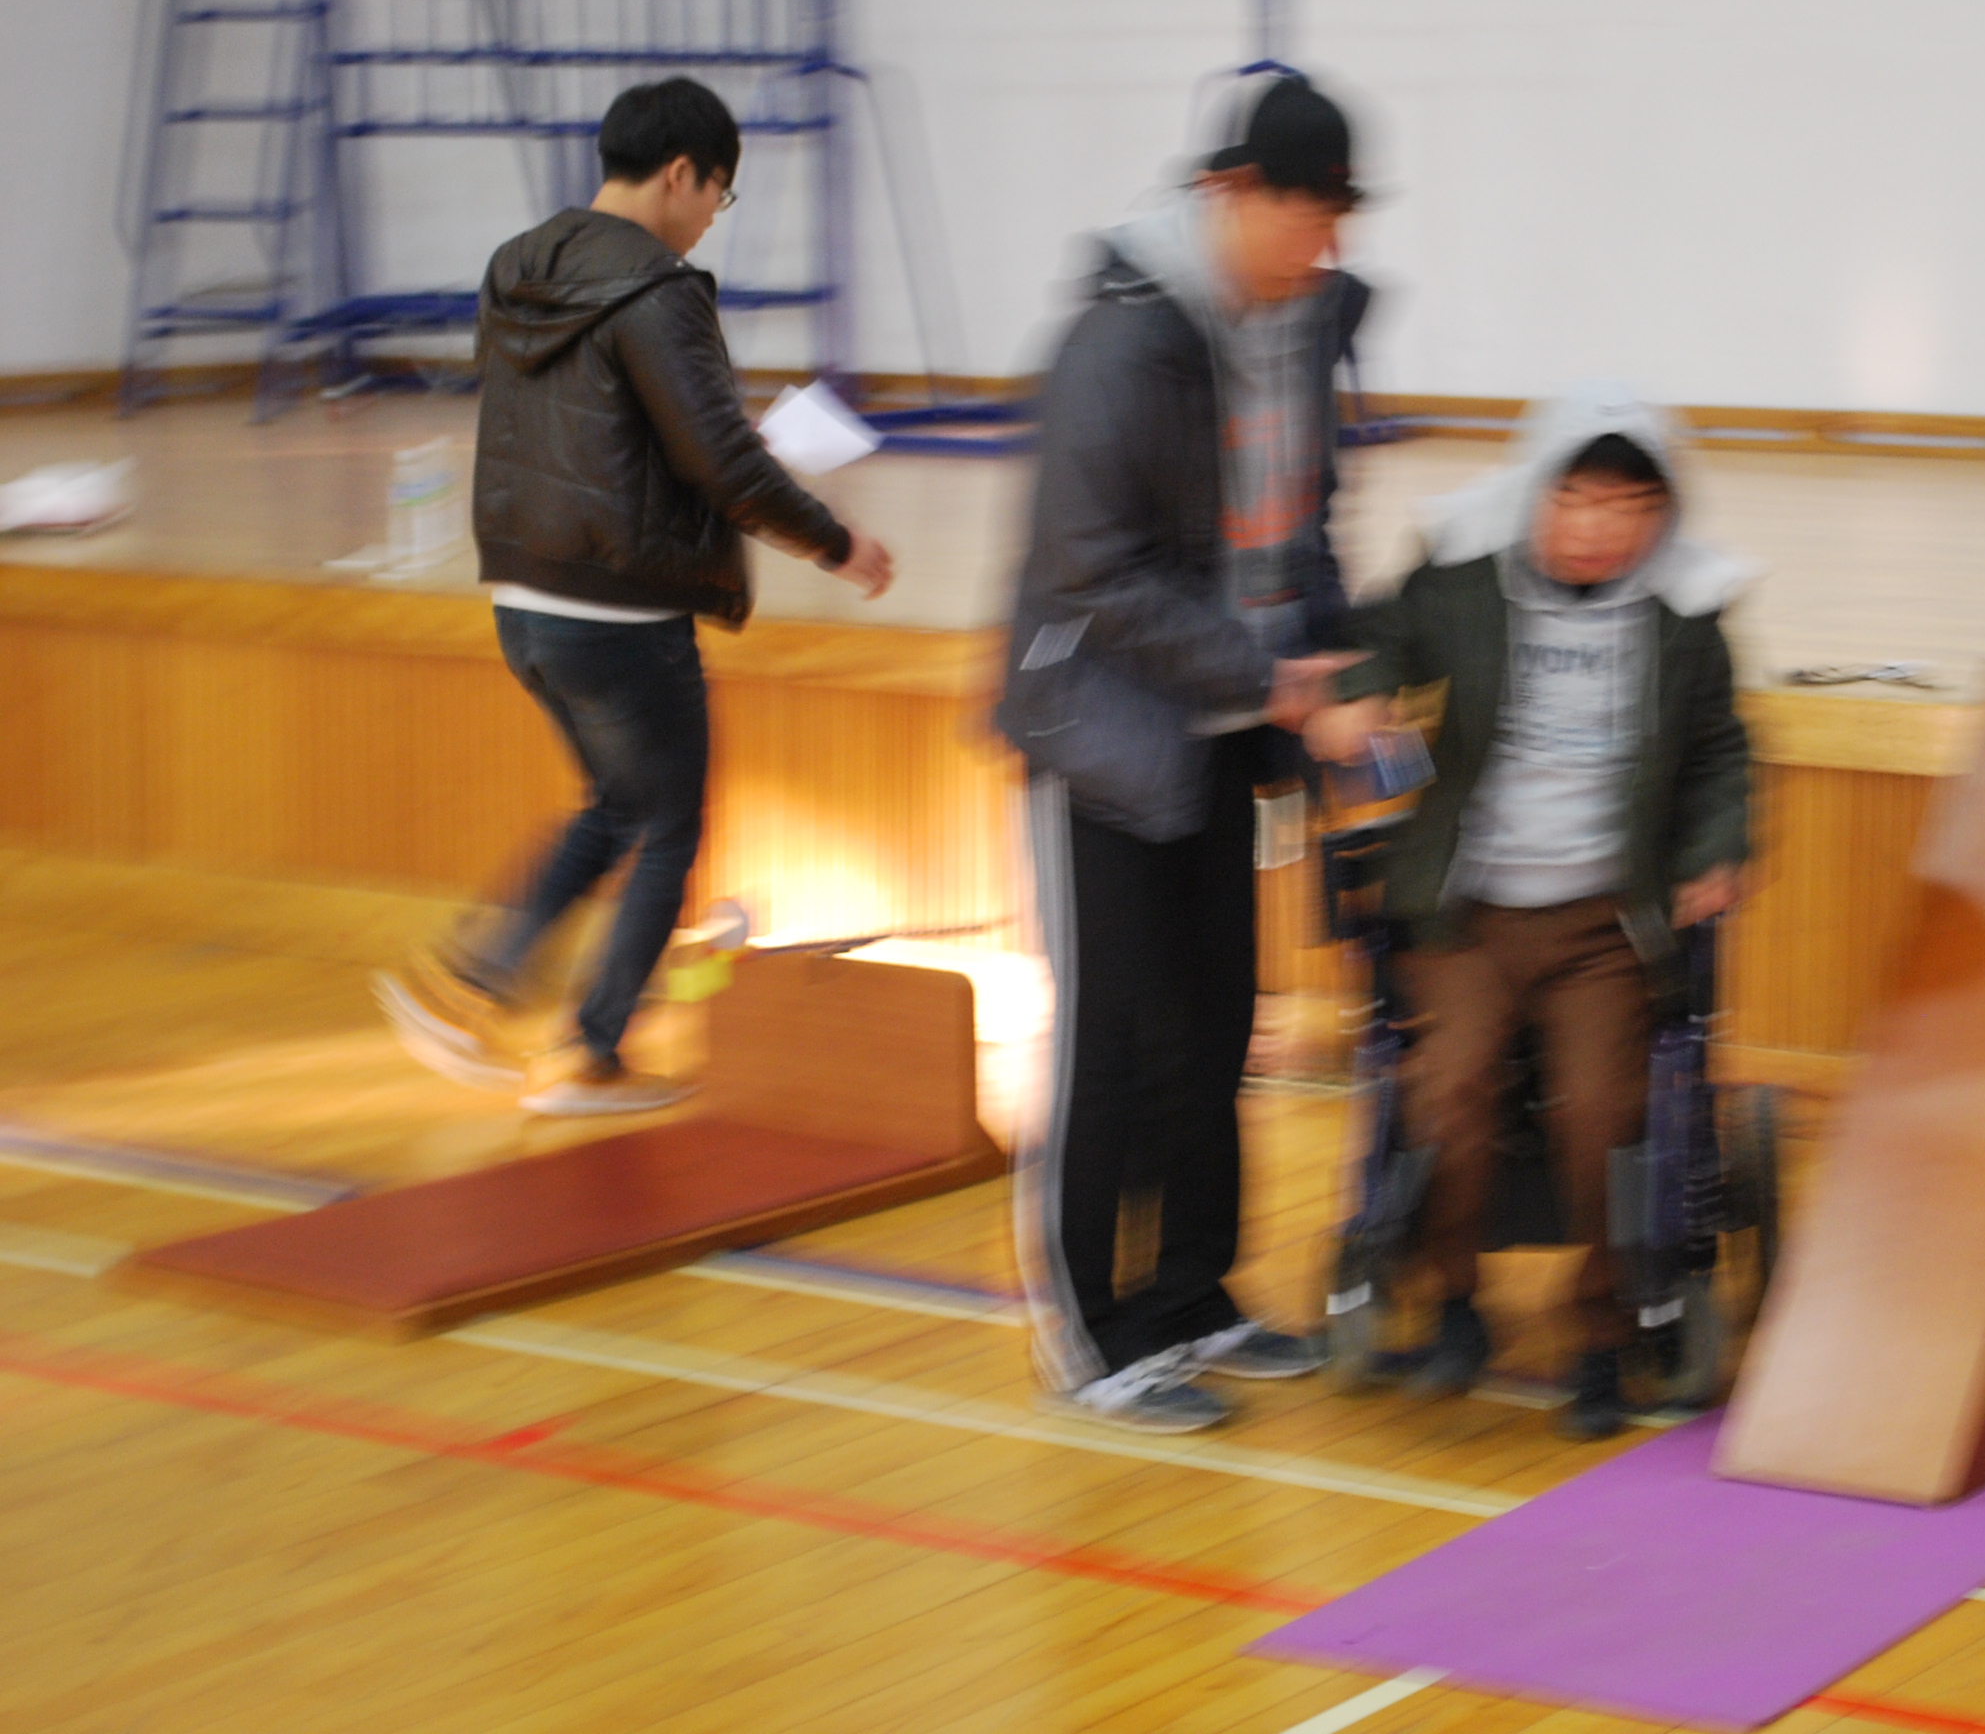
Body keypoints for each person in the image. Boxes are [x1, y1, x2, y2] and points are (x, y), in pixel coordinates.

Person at [374, 76, 894, 1116]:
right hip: (620, 609)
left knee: (618, 809)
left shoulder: (521, 267)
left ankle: (471, 990)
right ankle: (591, 1055)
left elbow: (600, 427)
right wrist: (837, 545)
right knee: (670, 827)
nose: (712, 220)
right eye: (718, 195)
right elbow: (721, 465)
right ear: (680, 174)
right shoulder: (659, 290)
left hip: (524, 598)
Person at [997, 72, 1371, 1432]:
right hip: (1102, 734)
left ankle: (1193, 1295)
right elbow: (1088, 571)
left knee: (1215, 1024)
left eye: (1336, 222)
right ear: (1229, 193)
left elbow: (1299, 527)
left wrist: (1335, 659)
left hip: (1225, 729)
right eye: (1302, 217)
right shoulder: (1122, 343)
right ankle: (1093, 1334)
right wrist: (1270, 679)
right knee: (1111, 1037)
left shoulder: (1298, 327)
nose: (1320, 248)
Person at [1305, 384, 1753, 1439]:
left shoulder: (1684, 620)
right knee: (1450, 1087)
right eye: (1577, 500)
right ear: (1534, 496)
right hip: (1467, 916)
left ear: (1661, 517)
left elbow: (1721, 752)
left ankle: (1602, 1333)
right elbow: (1381, 636)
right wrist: (1360, 694)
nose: (1600, 529)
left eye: (1630, 508)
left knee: (1603, 1111)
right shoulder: (1468, 580)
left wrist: (1716, 850)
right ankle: (1452, 1302)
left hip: (1604, 924)